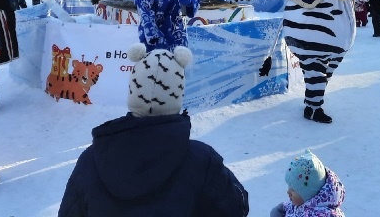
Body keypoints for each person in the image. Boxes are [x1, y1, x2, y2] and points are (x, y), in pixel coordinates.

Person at [58, 44, 249, 217]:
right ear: (178, 95)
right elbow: (236, 207)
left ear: (133, 91)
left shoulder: (92, 158)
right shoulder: (202, 159)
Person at [283, 0, 380, 123]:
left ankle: (312, 99)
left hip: (332, 30)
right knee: (316, 66)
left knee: (323, 69)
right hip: (310, 25)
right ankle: (313, 108)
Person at [270, 149, 345, 217]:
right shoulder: (300, 202)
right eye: (289, 186)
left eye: (293, 190)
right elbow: (290, 207)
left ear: (309, 194)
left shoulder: (324, 215)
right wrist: (280, 210)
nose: (288, 191)